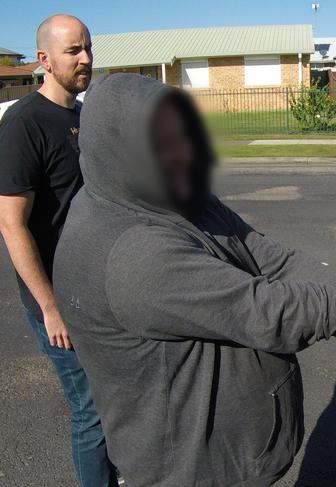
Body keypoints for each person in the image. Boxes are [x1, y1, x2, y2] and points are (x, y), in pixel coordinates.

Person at [52, 72, 336, 487]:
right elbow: (265, 311)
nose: (186, 152)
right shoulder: (135, 254)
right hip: (194, 469)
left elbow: (269, 258)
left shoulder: (164, 194)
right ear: (124, 152)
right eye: (164, 144)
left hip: (229, 453)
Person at [0, 14, 118, 487]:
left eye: (88, 47)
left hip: (99, 293)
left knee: (113, 400)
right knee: (89, 410)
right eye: (73, 50)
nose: (86, 57)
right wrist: (50, 308)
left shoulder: (83, 117)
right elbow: (11, 224)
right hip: (59, 302)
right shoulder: (24, 123)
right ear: (44, 60)